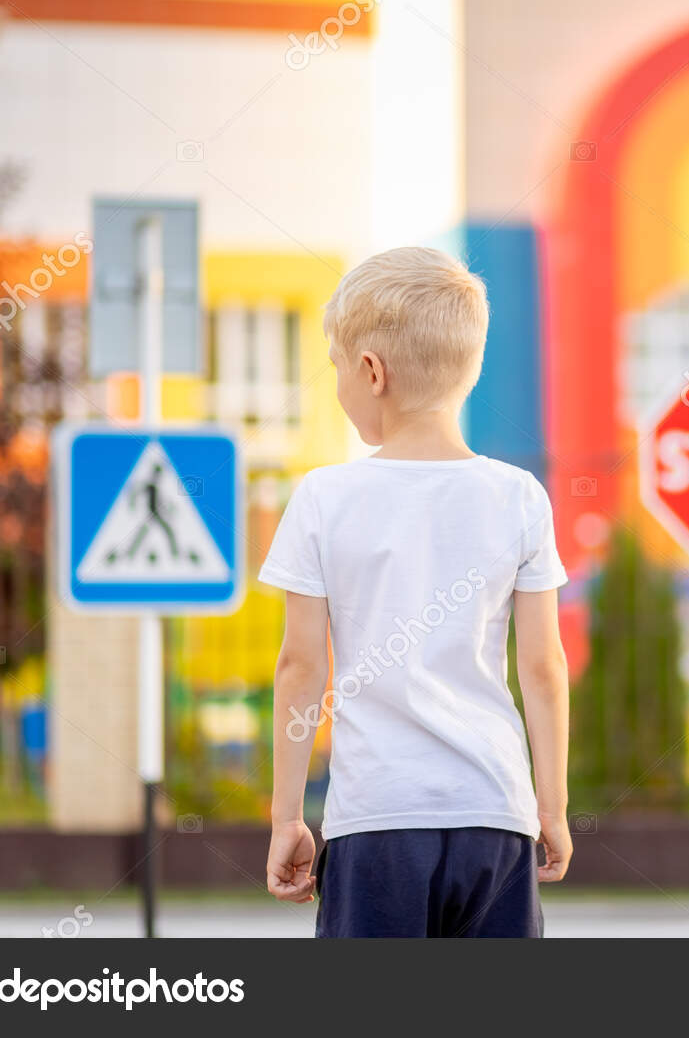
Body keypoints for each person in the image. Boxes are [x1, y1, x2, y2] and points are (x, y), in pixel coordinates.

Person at [260, 246, 572, 937]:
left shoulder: (323, 497)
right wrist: (550, 805)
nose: (339, 385)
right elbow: (544, 668)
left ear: (371, 371)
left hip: (376, 823)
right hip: (495, 815)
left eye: (337, 367)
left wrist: (288, 816)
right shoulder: (519, 495)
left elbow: (301, 668)